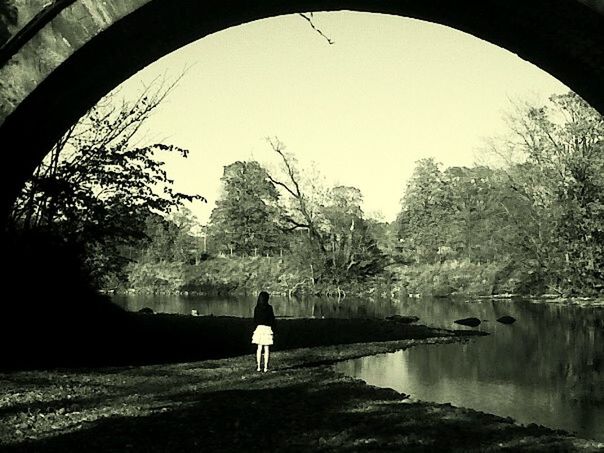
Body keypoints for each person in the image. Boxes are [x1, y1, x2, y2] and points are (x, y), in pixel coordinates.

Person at [251, 291, 275, 372]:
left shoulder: (257, 308)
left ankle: (258, 367)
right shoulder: (269, 308)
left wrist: (254, 328)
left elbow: (255, 320)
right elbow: (272, 320)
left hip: (259, 328)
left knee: (259, 348)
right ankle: (265, 367)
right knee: (267, 348)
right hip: (267, 329)